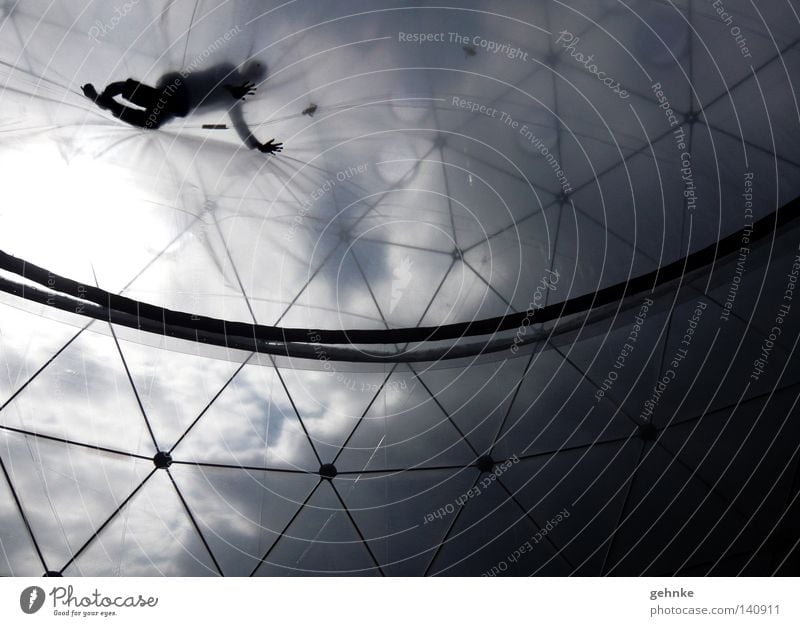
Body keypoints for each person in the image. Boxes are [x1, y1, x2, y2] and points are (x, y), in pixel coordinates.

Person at [82, 60, 282, 154]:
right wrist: (231, 89)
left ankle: (105, 101)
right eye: (253, 73)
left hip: (177, 104)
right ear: (246, 68)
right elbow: (221, 78)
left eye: (255, 77)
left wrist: (257, 145)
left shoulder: (234, 100)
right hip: (178, 86)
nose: (251, 78)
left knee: (150, 122)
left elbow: (240, 124)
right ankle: (123, 89)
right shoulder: (229, 69)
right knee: (174, 105)